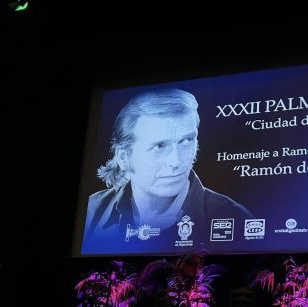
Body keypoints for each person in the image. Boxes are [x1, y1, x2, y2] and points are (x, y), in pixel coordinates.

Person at [82, 88, 252, 253]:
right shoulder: (91, 212)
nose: (176, 161)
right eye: (159, 146)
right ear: (123, 156)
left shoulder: (234, 216)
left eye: (186, 141)